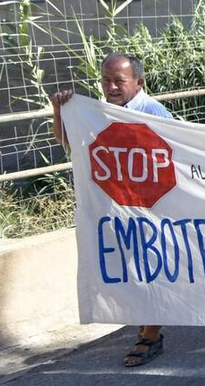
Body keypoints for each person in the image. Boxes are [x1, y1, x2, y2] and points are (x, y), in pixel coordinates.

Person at [50, 51, 172, 368]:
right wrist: (59, 110)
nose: (111, 87)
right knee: (133, 269)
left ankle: (150, 334)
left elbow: (176, 154)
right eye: (106, 80)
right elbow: (70, 142)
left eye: (119, 80)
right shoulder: (101, 113)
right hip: (119, 207)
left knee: (150, 269)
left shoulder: (153, 112)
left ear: (139, 82)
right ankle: (147, 329)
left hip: (151, 206)